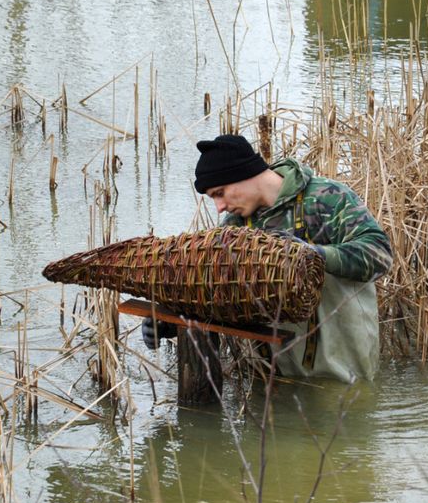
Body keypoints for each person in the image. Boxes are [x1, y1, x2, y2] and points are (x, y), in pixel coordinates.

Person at [143, 133, 393, 383]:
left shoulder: (326, 198)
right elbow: (214, 293)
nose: (219, 207)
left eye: (220, 193)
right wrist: (168, 320)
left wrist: (313, 256)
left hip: (342, 376)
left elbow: (380, 255)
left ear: (244, 174)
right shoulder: (235, 227)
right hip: (271, 379)